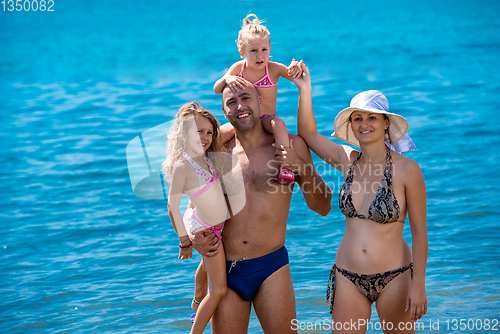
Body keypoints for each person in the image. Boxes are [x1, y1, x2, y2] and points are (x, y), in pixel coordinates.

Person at [293, 64, 428, 332]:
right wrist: (305, 88)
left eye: (372, 118)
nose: (364, 124)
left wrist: (419, 285)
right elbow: (308, 135)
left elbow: (420, 233)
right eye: (358, 119)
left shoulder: (407, 170)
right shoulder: (347, 161)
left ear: (385, 123)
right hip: (347, 277)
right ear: (351, 126)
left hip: (395, 277)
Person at [193, 81, 332, 333]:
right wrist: (193, 237)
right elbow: (191, 203)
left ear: (260, 102)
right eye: (231, 102)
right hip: (225, 271)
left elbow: (322, 206)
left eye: (246, 98)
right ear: (224, 112)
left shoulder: (289, 146)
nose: (240, 106)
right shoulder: (215, 152)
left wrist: (300, 166)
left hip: (272, 267)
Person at [163, 101, 229, 334]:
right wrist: (184, 241)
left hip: (215, 227)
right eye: (198, 131)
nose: (205, 137)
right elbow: (172, 206)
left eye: (209, 132)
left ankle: (196, 300)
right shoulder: (184, 166)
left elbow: (232, 128)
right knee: (219, 289)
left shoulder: (208, 157)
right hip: (205, 231)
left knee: (206, 267)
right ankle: (196, 330)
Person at [213, 13, 303, 185]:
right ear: (242, 52)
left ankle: (286, 167)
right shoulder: (238, 68)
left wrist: (295, 68)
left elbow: (294, 76)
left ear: (270, 48)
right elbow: (217, 89)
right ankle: (204, 167)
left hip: (266, 120)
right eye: (253, 51)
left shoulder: (274, 69)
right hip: (244, 120)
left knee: (280, 125)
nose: (259, 55)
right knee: (218, 135)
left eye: (264, 49)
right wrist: (227, 79)